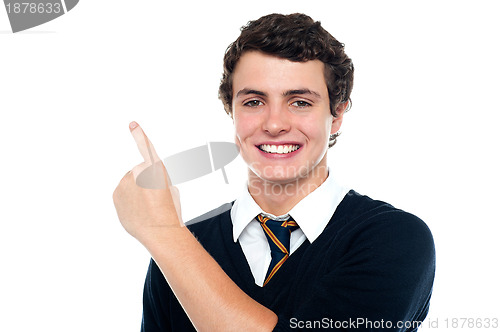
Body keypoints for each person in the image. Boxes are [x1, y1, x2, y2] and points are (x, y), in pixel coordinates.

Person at [112, 13, 435, 331]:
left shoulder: (393, 238)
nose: (275, 124)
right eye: (253, 102)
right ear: (232, 111)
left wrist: (165, 233)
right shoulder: (184, 247)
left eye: (300, 102)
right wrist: (170, 240)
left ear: (336, 115)